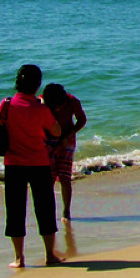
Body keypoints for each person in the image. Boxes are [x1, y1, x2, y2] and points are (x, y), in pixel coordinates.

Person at [0, 64, 63, 268]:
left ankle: (19, 258)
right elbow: (57, 131)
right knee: (45, 209)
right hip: (39, 163)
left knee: (15, 211)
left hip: (13, 163)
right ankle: (50, 255)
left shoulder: (6, 104)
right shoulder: (41, 109)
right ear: (37, 85)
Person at [40, 83, 88, 222]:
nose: (57, 109)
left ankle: (66, 211)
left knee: (64, 177)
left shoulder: (73, 101)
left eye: (59, 106)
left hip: (67, 138)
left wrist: (69, 135)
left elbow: (82, 120)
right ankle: (48, 212)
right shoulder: (42, 102)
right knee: (49, 178)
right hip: (48, 140)